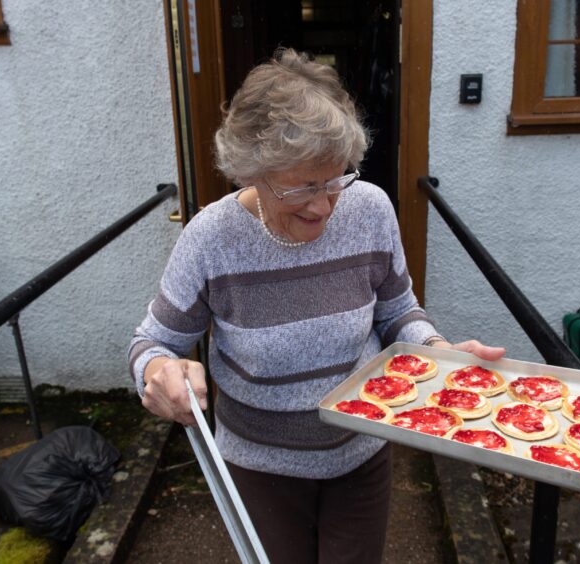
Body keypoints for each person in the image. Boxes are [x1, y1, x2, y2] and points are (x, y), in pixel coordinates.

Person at [128, 48, 504, 564]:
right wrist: (159, 372)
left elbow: (397, 313)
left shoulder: (370, 209)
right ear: (250, 173)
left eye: (334, 179)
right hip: (260, 469)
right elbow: (152, 343)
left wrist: (439, 353)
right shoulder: (211, 239)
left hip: (362, 456)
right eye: (302, 186)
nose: (324, 204)